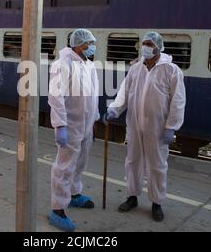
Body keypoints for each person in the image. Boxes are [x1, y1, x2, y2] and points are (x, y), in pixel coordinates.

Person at [103, 31, 186, 222]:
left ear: (158, 47)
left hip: (157, 127)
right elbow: (125, 91)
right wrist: (115, 108)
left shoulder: (171, 70)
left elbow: (178, 101)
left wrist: (172, 126)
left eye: (149, 44)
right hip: (134, 124)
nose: (146, 47)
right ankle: (132, 197)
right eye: (144, 43)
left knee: (157, 165)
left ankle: (157, 203)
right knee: (132, 161)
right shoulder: (136, 69)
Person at [47, 28, 100, 232]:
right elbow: (56, 97)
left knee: (80, 162)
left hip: (85, 125)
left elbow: (93, 95)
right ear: (78, 44)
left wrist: (94, 119)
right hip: (70, 125)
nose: (92, 46)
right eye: (89, 43)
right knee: (64, 166)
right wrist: (60, 125)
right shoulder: (63, 64)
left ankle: (75, 193)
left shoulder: (88, 65)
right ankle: (57, 209)